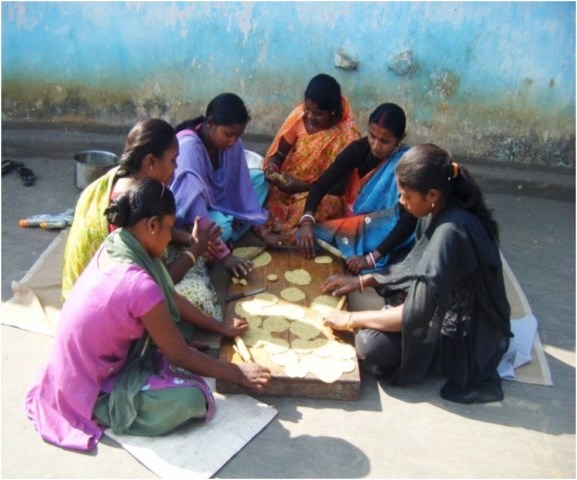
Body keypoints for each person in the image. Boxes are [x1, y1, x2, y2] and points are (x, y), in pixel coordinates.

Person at [25, 179, 271, 451]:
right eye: (169, 228)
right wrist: (237, 373)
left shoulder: (120, 241)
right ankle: (103, 407)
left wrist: (219, 327)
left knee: (180, 327)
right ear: (153, 225)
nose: (171, 237)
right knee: (192, 399)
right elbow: (180, 355)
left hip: (82, 359)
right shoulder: (138, 284)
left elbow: (170, 297)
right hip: (88, 382)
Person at [321, 144, 511, 404]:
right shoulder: (437, 206)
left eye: (406, 196)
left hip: (467, 333)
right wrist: (362, 281)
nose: (401, 202)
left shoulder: (450, 232)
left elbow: (416, 314)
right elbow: (415, 262)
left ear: (431, 194)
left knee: (371, 345)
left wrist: (351, 319)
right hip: (446, 295)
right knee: (398, 260)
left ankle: (440, 358)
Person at [61, 119, 223, 320]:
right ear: (151, 162)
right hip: (100, 304)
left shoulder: (126, 178)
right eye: (173, 160)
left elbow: (162, 232)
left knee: (192, 251)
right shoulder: (136, 202)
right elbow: (160, 281)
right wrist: (195, 249)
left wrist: (191, 240)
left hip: (99, 284)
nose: (177, 167)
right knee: (198, 296)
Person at [297, 103, 417, 272]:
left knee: (392, 260)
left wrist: (371, 259)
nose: (376, 145)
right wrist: (307, 221)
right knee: (307, 236)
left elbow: (408, 219)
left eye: (384, 141)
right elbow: (321, 185)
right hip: (360, 222)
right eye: (372, 136)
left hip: (388, 227)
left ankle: (374, 256)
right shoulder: (359, 150)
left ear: (399, 140)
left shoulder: (405, 165)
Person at [170, 93, 276, 266]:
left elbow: (241, 181)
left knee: (261, 181)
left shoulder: (232, 143)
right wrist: (225, 257)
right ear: (210, 123)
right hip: (192, 211)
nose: (233, 141)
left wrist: (260, 227)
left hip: (218, 200)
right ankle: (225, 237)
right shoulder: (188, 148)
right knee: (223, 226)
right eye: (228, 134)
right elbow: (194, 209)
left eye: (237, 136)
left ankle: (234, 225)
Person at [261, 73, 361, 244]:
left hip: (320, 194)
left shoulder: (347, 136)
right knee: (260, 190)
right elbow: (279, 154)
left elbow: (339, 188)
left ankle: (288, 236)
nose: (310, 117)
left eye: (318, 114)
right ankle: (284, 233)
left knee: (325, 205)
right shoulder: (299, 117)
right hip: (287, 187)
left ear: (333, 111)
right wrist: (273, 168)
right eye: (308, 109)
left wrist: (301, 186)